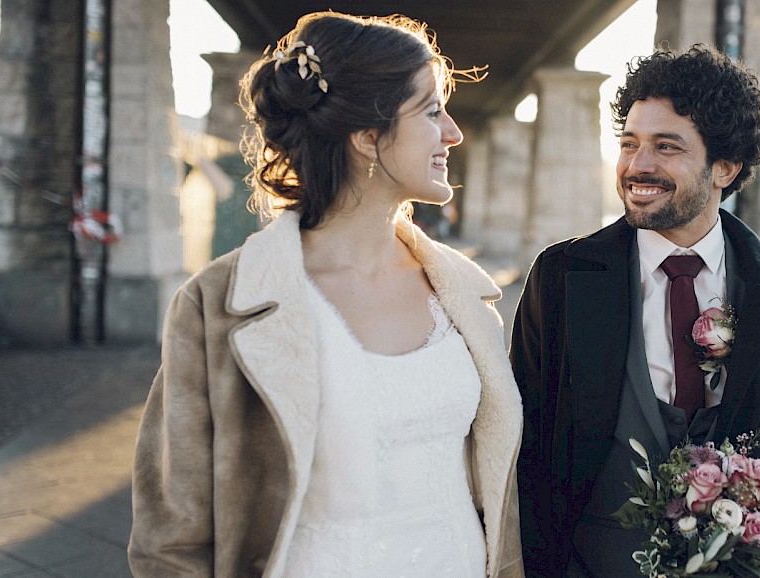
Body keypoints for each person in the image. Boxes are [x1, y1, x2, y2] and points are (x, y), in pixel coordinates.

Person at [128, 12, 523, 577]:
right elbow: (171, 543)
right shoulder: (218, 306)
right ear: (367, 137)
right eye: (433, 111)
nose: (453, 133)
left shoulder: (464, 296)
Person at [510, 45, 760, 577]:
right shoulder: (561, 277)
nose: (638, 165)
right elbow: (524, 444)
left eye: (666, 147)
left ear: (725, 168)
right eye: (629, 143)